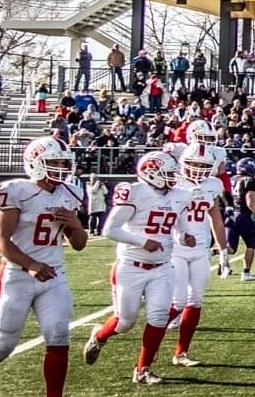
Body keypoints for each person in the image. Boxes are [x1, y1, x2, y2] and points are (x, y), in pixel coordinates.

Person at [0, 137, 91, 397]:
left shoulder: (70, 193)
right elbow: (0, 241)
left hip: (54, 275)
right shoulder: (16, 191)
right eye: (53, 162)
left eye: (63, 162)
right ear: (35, 163)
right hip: (17, 275)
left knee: (58, 336)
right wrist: (31, 263)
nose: (60, 167)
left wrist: (76, 225)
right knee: (3, 345)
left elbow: (79, 244)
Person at [82, 151, 188, 385]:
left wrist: (185, 236)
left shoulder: (180, 195)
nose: (173, 177)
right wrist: (143, 241)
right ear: (151, 173)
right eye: (168, 173)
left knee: (159, 317)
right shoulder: (135, 192)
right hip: (131, 266)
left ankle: (143, 369)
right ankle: (99, 336)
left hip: (162, 267)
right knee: (125, 322)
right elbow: (110, 229)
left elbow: (180, 227)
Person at [168, 138, 228, 367]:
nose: (199, 169)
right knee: (179, 300)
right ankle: (152, 343)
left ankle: (181, 353)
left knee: (195, 300)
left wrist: (223, 251)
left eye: (204, 166)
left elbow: (216, 218)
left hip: (201, 249)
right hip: (175, 248)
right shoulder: (173, 181)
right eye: (195, 164)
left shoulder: (212, 184)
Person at [225, 159, 255, 281]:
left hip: (230, 215)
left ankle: (215, 256)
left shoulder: (231, 179)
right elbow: (250, 202)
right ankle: (246, 273)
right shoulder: (250, 181)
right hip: (243, 216)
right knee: (251, 244)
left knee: (231, 248)